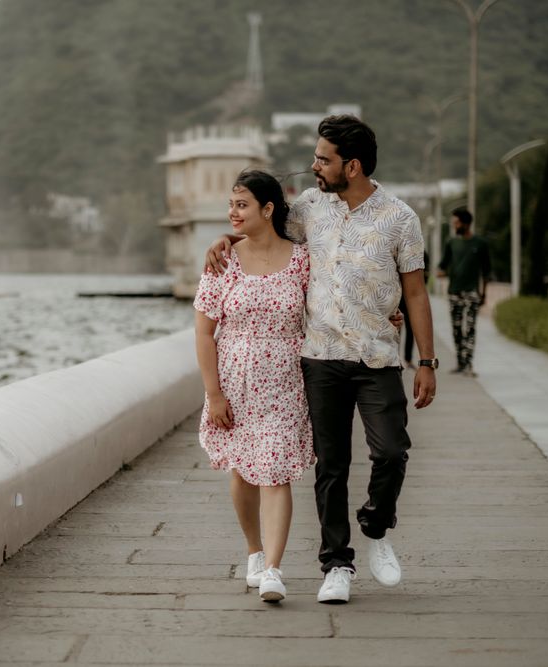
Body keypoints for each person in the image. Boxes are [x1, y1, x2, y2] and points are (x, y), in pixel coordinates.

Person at [205, 115, 437, 605]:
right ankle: (337, 564)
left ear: (351, 166)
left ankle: (376, 525)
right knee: (330, 466)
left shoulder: (401, 219)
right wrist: (224, 240)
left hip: (377, 357)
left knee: (391, 451)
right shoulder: (310, 209)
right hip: (319, 359)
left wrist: (428, 361)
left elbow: (415, 294)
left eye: (322, 159)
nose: (313, 166)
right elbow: (262, 232)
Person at [194, 170, 314, 603]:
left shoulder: (302, 259)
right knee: (244, 472)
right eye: (231, 205)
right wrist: (214, 394)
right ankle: (254, 550)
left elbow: (327, 305)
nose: (233, 212)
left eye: (242, 204)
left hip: (286, 381)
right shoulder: (222, 262)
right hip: (234, 382)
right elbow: (204, 332)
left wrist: (386, 317)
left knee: (275, 470)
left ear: (267, 209)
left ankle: (274, 570)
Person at [438, 208, 491, 376]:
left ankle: (468, 365)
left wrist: (484, 294)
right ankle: (460, 363)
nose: (454, 226)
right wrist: (443, 272)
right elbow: (441, 267)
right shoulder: (451, 243)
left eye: (457, 223)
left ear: (466, 223)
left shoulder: (480, 244)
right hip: (454, 292)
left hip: (472, 293)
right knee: (456, 329)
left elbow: (486, 271)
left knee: (469, 329)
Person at [398, 250, 430, 370]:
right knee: (396, 328)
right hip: (398, 297)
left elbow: (425, 275)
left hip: (411, 297)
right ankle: (396, 358)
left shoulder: (422, 253)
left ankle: (408, 358)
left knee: (411, 329)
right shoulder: (398, 248)